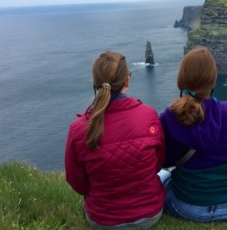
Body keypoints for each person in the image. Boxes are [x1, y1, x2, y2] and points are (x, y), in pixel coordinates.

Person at [65, 51, 165, 229]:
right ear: (127, 80)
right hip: (150, 215)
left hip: (102, 221)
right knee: (166, 174)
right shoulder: (149, 115)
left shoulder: (78, 129)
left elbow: (77, 182)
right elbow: (157, 164)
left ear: (95, 83)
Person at [159, 46, 227, 222]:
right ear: (213, 82)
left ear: (181, 80)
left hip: (189, 207)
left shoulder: (170, 117)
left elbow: (165, 160)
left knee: (160, 178)